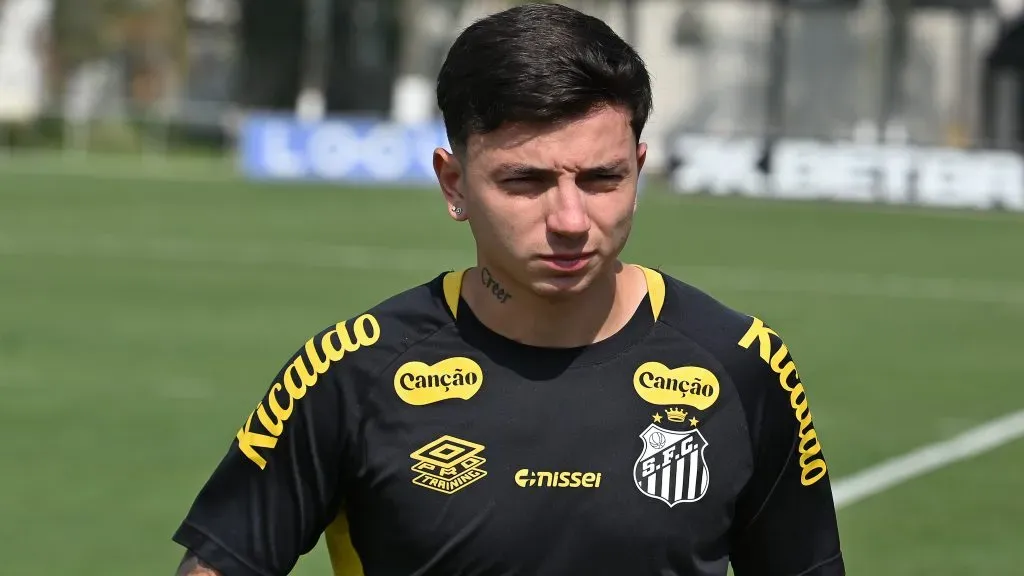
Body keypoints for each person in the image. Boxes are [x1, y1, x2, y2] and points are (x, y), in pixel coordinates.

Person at [172, 3, 845, 575]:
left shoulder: (743, 366)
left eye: (603, 179)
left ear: (639, 169)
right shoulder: (351, 374)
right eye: (525, 182)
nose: (571, 222)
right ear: (454, 183)